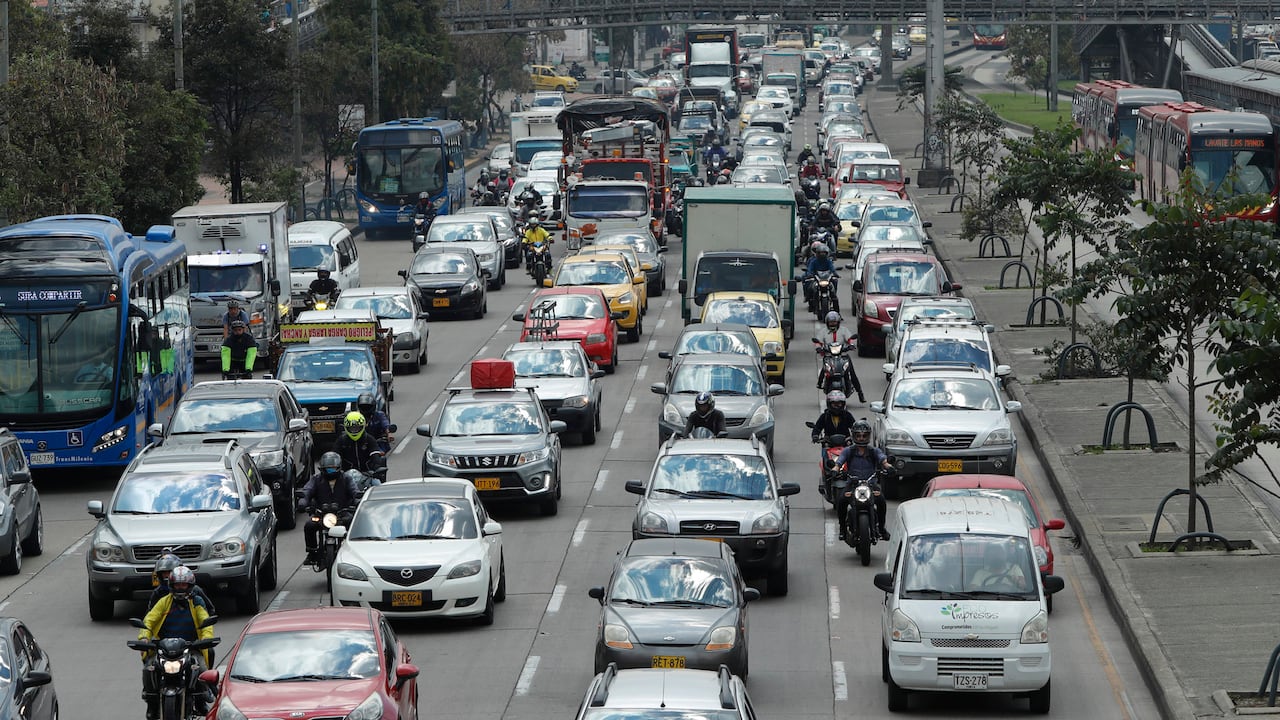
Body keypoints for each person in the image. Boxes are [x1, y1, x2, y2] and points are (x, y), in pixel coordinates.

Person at [138, 566, 215, 719]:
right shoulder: (163, 601)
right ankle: (152, 705)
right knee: (149, 668)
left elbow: (205, 620)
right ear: (171, 586)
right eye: (177, 585)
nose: (180, 588)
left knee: (201, 668)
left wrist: (206, 638)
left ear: (190, 585)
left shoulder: (197, 601)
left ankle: (201, 699)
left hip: (190, 647)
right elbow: (149, 620)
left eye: (183, 585)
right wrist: (144, 637)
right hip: (164, 648)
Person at [296, 451, 361, 561]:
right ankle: (312, 552)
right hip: (321, 514)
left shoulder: (347, 479)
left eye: (332, 468)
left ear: (339, 467)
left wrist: (358, 500)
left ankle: (354, 551)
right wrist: (303, 502)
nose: (329, 471)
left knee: (352, 523)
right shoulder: (316, 479)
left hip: (342, 513)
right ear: (322, 469)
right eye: (327, 469)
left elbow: (354, 491)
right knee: (309, 525)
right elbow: (307, 490)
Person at [835, 420, 893, 541]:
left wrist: (889, 467)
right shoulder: (848, 451)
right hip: (852, 485)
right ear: (854, 436)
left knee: (881, 501)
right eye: (858, 436)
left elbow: (883, 460)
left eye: (864, 435)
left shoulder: (873, 451)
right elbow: (840, 461)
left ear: (868, 436)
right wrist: (835, 469)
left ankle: (881, 528)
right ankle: (842, 529)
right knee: (841, 501)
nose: (861, 438)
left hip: (871, 485)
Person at [816, 311, 865, 401]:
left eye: (834, 322)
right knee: (824, 369)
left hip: (843, 356)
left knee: (852, 374)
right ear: (827, 323)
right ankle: (819, 383)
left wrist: (851, 345)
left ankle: (860, 393)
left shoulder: (844, 330)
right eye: (830, 322)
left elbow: (850, 339)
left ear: (838, 322)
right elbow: (819, 342)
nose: (832, 324)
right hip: (829, 356)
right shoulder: (823, 332)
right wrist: (819, 348)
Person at [147, 553, 215, 614]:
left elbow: (210, 610)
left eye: (169, 572)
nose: (167, 576)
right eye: (164, 573)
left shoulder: (195, 590)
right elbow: (150, 613)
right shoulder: (158, 592)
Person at [811, 390, 856, 476]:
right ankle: (826, 476)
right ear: (829, 404)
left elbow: (854, 427)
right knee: (826, 459)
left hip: (845, 443)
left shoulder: (847, 415)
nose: (837, 406)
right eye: (834, 404)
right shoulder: (824, 416)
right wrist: (815, 436)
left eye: (839, 404)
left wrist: (855, 435)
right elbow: (817, 428)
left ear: (843, 404)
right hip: (829, 443)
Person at [801, 242, 838, 309]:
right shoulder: (813, 261)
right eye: (820, 253)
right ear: (817, 253)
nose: (822, 255)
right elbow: (810, 269)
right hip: (817, 278)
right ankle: (809, 298)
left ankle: (836, 307)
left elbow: (832, 268)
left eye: (824, 253)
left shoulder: (828, 261)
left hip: (826, 278)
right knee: (810, 286)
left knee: (834, 282)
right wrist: (809, 274)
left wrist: (835, 274)